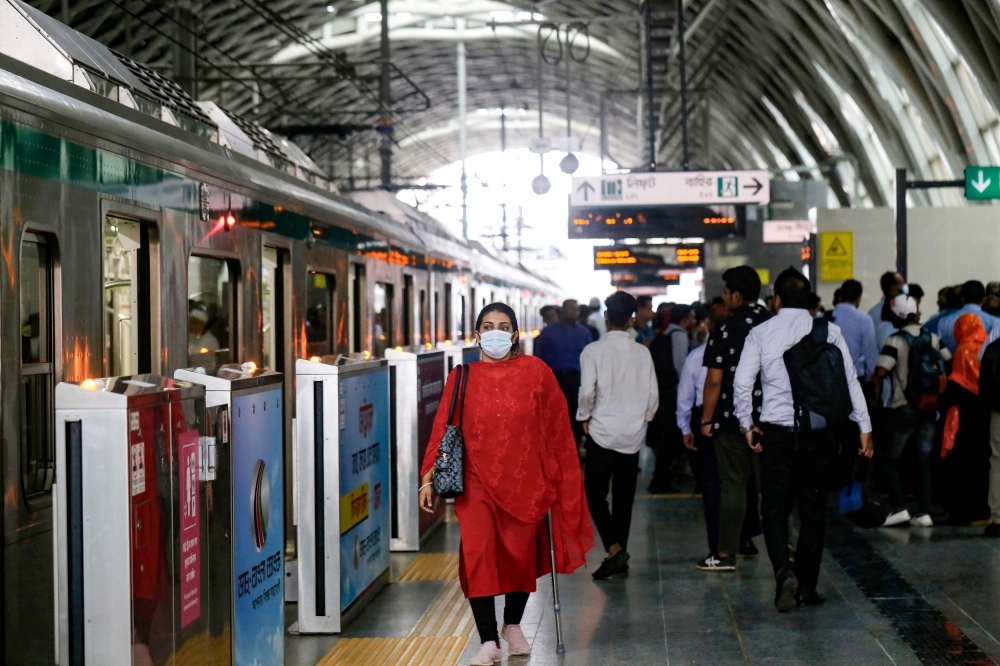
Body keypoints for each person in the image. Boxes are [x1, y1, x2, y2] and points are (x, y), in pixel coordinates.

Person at [418, 303, 593, 665]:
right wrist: (427, 480)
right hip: (475, 480)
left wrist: (560, 475)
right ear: (477, 334)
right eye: (487, 325)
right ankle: (488, 641)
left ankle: (512, 624)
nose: (495, 332)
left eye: (503, 326)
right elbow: (442, 430)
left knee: (519, 555)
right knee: (479, 554)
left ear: (515, 335)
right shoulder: (462, 376)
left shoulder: (536, 372)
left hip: (527, 481)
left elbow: (558, 427)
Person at [734, 267, 873, 612]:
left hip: (777, 437)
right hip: (819, 436)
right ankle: (808, 588)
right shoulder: (830, 331)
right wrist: (864, 428)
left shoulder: (762, 332)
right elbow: (850, 381)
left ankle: (784, 573)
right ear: (808, 300)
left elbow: (742, 383)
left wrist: (747, 427)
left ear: (777, 300)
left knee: (776, 510)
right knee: (813, 511)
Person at [577, 291, 659, 579]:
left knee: (595, 495)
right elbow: (653, 397)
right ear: (632, 319)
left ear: (607, 315)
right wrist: (641, 421)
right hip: (632, 436)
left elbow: (587, 391)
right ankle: (618, 552)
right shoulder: (643, 352)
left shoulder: (592, 352)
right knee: (625, 499)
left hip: (601, 432)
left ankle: (614, 549)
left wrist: (584, 416)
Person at [699, 266, 770, 571]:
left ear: (736, 295)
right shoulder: (774, 326)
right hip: (773, 418)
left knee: (734, 484)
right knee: (776, 484)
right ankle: (790, 547)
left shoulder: (724, 330)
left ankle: (726, 553)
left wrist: (706, 420)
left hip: (732, 421)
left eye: (727, 291)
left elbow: (714, 381)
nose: (725, 296)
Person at [679, 304, 761, 558]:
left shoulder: (696, 357)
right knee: (744, 482)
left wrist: (688, 426)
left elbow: (686, 397)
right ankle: (746, 538)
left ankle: (720, 545)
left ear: (710, 326)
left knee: (715, 487)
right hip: (744, 419)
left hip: (711, 422)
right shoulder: (748, 352)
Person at [873, 294, 950, 527]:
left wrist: (876, 397)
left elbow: (881, 371)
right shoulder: (933, 338)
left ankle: (899, 508)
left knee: (889, 457)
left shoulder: (895, 340)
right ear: (917, 313)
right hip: (929, 407)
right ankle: (924, 513)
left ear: (896, 317)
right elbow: (949, 361)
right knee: (923, 458)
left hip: (903, 406)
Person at [938, 313, 992, 525]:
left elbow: (958, 385)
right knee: (983, 463)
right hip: (987, 412)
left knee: (963, 465)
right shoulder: (987, 347)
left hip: (965, 416)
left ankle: (964, 511)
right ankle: (983, 510)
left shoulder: (963, 350)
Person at [647, 304, 696, 494]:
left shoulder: (662, 335)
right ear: (684, 320)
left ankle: (662, 477)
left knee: (664, 438)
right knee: (669, 438)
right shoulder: (679, 335)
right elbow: (681, 366)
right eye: (691, 317)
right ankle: (660, 480)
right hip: (672, 394)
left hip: (661, 393)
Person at [533, 299, 594, 446]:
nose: (575, 312)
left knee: (575, 418)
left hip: (577, 381)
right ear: (563, 310)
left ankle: (574, 450)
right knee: (554, 418)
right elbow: (538, 359)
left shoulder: (584, 332)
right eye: (572, 309)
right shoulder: (548, 333)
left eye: (577, 310)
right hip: (555, 380)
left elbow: (591, 358)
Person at [832, 279, 880, 380]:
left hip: (829, 379)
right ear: (859, 298)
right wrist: (873, 376)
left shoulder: (825, 318)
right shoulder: (864, 320)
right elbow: (870, 353)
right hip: (854, 378)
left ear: (840, 296)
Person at [938, 280, 999, 353]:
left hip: (953, 363)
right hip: (984, 363)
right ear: (984, 299)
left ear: (962, 299)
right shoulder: (994, 322)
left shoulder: (944, 322)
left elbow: (942, 350)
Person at [978, 331, 1000, 537]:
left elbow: (985, 382)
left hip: (999, 412)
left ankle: (999, 517)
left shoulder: (993, 349)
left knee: (998, 463)